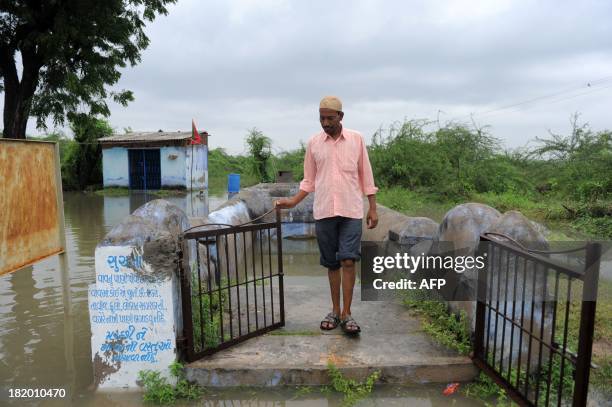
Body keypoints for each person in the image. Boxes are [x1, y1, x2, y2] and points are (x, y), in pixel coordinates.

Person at [275, 96, 378, 335]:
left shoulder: (356, 140)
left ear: (341, 117)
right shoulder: (314, 144)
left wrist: (372, 207)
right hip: (324, 212)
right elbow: (309, 180)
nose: (325, 123)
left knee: (348, 260)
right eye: (321, 118)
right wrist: (292, 201)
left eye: (330, 118)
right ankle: (334, 310)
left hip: (351, 210)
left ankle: (347, 314)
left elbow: (366, 176)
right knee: (332, 264)